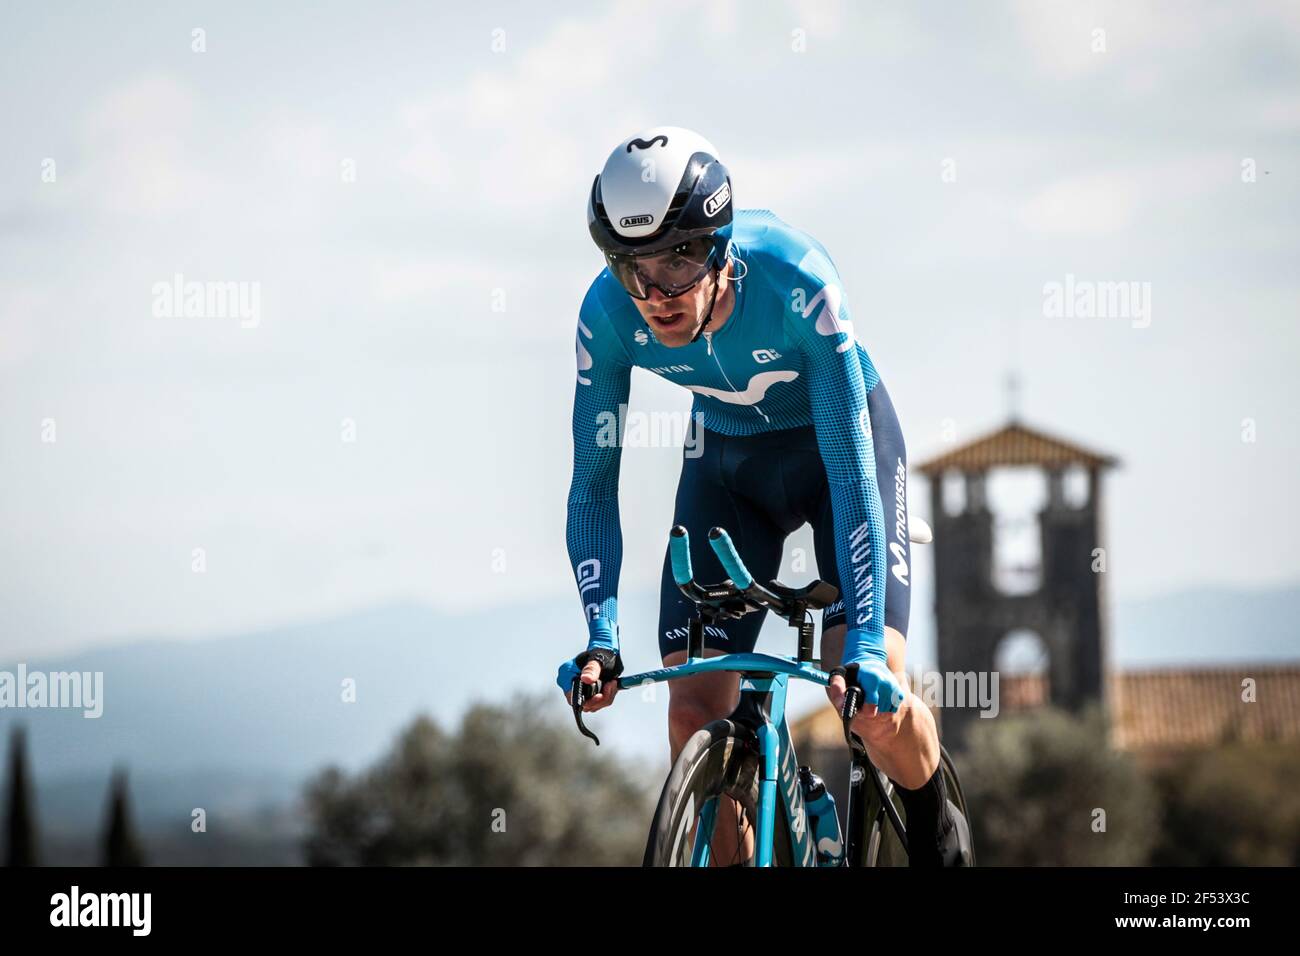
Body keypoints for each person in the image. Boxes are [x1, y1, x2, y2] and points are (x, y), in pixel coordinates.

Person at [556, 127, 968, 866]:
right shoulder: (606, 317)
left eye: (677, 263)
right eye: (631, 269)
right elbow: (592, 487)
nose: (654, 296)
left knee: (870, 707)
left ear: (717, 247)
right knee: (691, 712)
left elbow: (849, 474)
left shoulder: (797, 283)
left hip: (838, 455)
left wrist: (868, 645)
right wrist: (601, 638)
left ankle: (939, 827)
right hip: (727, 472)